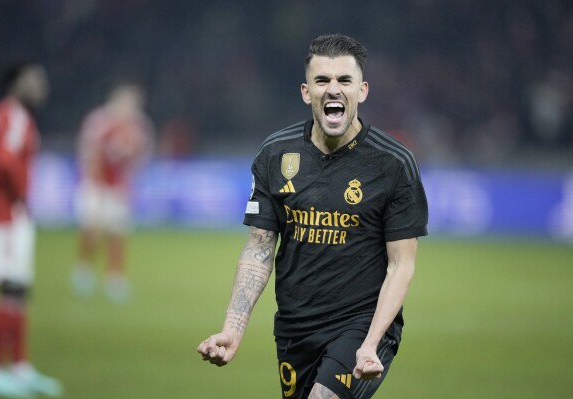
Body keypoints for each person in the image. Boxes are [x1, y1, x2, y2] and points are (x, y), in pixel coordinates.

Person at [198, 34, 428, 399]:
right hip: (295, 328)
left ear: (362, 91)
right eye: (322, 81)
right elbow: (259, 249)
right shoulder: (276, 154)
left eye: (344, 81)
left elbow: (401, 265)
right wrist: (232, 328)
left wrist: (370, 344)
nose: (332, 89)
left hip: (360, 325)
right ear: (307, 92)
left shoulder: (393, 163)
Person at [0, 62, 63, 398]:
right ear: (16, 84)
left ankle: (20, 366)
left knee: (18, 291)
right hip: (5, 214)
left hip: (8, 213)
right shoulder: (13, 115)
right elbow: (3, 160)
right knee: (10, 289)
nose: (41, 86)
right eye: (34, 80)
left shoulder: (7, 115)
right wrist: (23, 194)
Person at [71, 82, 153, 303]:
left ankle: (114, 278)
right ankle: (84, 270)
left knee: (118, 234)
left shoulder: (139, 126)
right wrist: (92, 181)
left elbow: (141, 157)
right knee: (91, 230)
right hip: (96, 184)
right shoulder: (99, 122)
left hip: (119, 188)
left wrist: (131, 184)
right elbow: (88, 151)